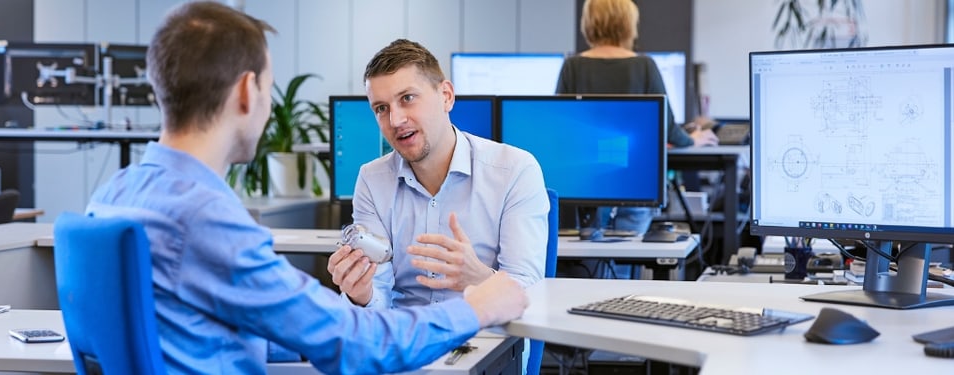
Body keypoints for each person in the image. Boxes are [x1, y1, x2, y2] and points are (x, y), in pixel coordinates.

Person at [84, 3, 529, 374]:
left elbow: (216, 329)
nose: (395, 119)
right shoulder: (205, 217)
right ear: (246, 91)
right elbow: (355, 344)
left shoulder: (110, 197)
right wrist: (476, 308)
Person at [327, 39, 549, 309]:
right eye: (381, 108)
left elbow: (531, 294)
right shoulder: (372, 180)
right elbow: (379, 295)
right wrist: (361, 294)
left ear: (446, 96)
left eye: (407, 98)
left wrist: (479, 278)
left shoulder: (515, 170)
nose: (395, 120)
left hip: (484, 334)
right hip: (406, 336)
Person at [555, 0, 718, 235]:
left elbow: (561, 126)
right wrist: (695, 139)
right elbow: (668, 129)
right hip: (636, 183)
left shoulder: (572, 66)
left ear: (588, 23)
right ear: (629, 24)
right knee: (626, 261)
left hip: (587, 183)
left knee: (589, 260)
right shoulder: (644, 66)